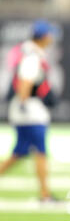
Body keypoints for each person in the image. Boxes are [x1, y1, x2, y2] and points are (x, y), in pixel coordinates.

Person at [0, 20, 58, 202]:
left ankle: (45, 193)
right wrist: (25, 105)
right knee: (40, 151)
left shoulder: (31, 52)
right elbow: (25, 81)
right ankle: (45, 194)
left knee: (20, 153)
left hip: (26, 109)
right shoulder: (32, 56)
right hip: (29, 111)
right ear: (44, 36)